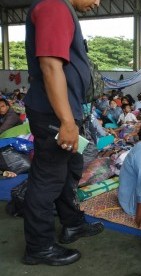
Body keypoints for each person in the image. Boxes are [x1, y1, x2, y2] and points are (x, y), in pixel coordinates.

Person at [22, 0, 103, 267]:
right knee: (48, 179)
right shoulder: (54, 6)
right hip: (55, 115)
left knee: (70, 169)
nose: (98, 3)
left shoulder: (60, 8)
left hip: (65, 112)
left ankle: (71, 224)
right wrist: (67, 121)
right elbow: (50, 65)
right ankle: (39, 246)